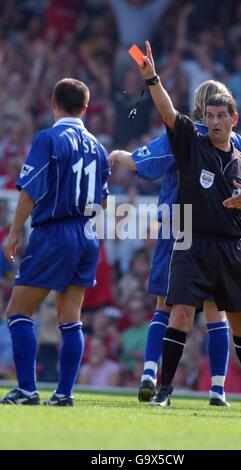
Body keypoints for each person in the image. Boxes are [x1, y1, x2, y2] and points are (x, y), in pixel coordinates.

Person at [109, 80, 241, 406]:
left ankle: (156, 374)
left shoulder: (238, 152)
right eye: (209, 115)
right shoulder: (190, 139)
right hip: (192, 237)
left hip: (202, 234)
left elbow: (146, 163)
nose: (213, 121)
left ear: (232, 117)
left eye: (220, 116)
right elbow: (168, 113)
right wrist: (153, 80)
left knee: (171, 305)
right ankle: (199, 389)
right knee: (202, 314)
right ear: (204, 112)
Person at [0, 78, 110, 406]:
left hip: (54, 233)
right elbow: (102, 202)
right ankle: (64, 394)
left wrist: (15, 231)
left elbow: (30, 189)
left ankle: (27, 390)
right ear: (85, 108)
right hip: (87, 235)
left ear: (53, 102)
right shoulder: (99, 147)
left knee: (18, 311)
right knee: (70, 317)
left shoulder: (48, 138)